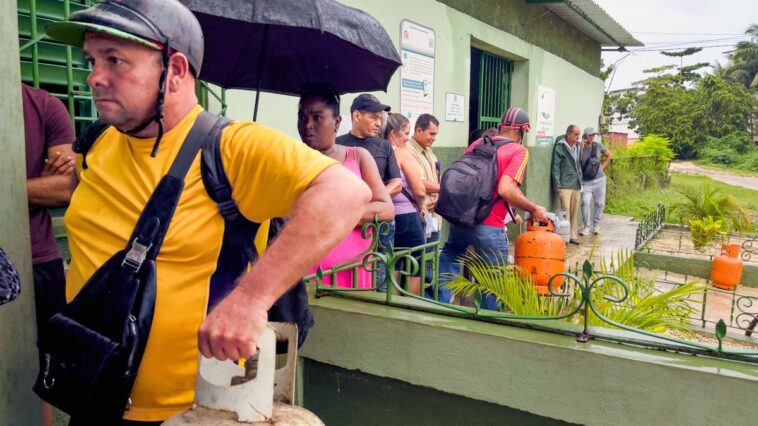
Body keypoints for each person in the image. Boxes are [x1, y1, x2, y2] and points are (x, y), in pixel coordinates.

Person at [45, 0, 370, 423]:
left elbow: (346, 192)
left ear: (175, 70)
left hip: (190, 411)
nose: (95, 78)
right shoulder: (96, 143)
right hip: (90, 391)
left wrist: (250, 300)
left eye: (115, 60)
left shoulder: (230, 147)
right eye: (91, 60)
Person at [438, 107, 548, 308]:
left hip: (462, 219)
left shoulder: (478, 143)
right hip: (490, 226)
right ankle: (489, 322)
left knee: (450, 256)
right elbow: (506, 189)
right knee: (493, 281)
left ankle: (440, 306)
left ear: (501, 126)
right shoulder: (519, 151)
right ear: (522, 130)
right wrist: (533, 208)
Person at [298, 85, 394, 288]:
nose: (308, 125)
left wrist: (333, 214)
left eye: (317, 117)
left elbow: (386, 209)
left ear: (337, 122)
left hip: (353, 271)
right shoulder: (292, 162)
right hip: (304, 272)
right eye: (302, 117)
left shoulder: (357, 157)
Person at [22, 83, 76, 426]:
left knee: (41, 373)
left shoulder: (44, 106)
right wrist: (33, 184)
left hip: (37, 262)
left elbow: (65, 187)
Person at [336, 94, 402, 291]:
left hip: (381, 221)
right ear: (357, 116)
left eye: (380, 118)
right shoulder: (338, 145)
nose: (378, 123)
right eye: (373, 117)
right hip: (350, 221)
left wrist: (375, 199)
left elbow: (397, 183)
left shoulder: (383, 145)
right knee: (351, 267)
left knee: (381, 270)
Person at [382, 112, 426, 295]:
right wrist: (421, 206)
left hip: (385, 217)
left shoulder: (375, 152)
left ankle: (392, 306)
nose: (408, 139)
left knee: (393, 263)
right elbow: (419, 190)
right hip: (407, 217)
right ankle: (412, 307)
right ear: (393, 133)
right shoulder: (401, 154)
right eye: (406, 133)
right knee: (416, 266)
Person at [406, 114, 442, 289]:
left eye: (436, 134)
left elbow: (435, 179)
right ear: (419, 130)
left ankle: (426, 293)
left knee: (430, 257)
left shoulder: (429, 151)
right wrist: (443, 190)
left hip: (433, 215)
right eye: (431, 134)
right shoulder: (408, 151)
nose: (434, 138)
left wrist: (439, 195)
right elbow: (419, 183)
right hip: (421, 214)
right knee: (420, 261)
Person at [551, 124, 582, 245]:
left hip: (576, 183)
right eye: (575, 134)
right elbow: (555, 166)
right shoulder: (560, 146)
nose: (578, 137)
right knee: (566, 211)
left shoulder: (578, 146)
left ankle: (573, 235)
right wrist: (556, 183)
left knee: (574, 211)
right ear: (568, 134)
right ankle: (565, 235)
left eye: (579, 134)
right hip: (564, 183)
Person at [579, 127, 612, 235]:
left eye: (593, 135)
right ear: (584, 136)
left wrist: (602, 167)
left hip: (600, 180)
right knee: (585, 202)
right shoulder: (580, 147)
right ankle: (586, 227)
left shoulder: (597, 146)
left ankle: (596, 225)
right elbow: (577, 161)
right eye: (590, 135)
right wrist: (581, 147)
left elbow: (609, 155)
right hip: (586, 181)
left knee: (599, 203)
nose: (592, 137)